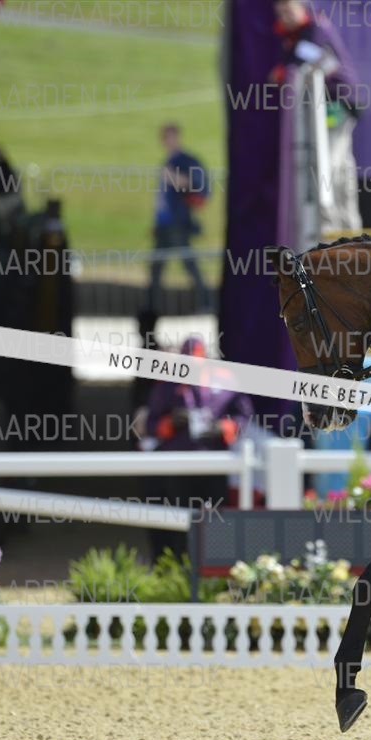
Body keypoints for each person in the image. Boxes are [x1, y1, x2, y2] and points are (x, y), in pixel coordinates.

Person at [142, 337, 254, 557]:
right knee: (177, 522)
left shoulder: (226, 381)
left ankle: (215, 566)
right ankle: (179, 566)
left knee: (216, 519)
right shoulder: (167, 385)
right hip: (177, 466)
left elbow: (245, 417)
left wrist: (224, 428)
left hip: (215, 464)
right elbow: (150, 424)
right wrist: (170, 423)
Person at [272, 0, 364, 235]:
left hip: (337, 103)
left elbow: (307, 64)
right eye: (281, 14)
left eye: (289, 11)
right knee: (340, 166)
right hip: (335, 102)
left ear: (301, 8)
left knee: (328, 166)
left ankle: (332, 230)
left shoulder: (314, 29)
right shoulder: (298, 34)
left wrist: (283, 73)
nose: (285, 18)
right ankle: (348, 229)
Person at [147, 123, 209, 313]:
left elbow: (195, 185)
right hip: (163, 223)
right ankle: (151, 308)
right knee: (156, 267)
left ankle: (207, 303)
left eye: (172, 137)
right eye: (166, 138)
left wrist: (172, 177)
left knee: (189, 264)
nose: (169, 141)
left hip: (178, 223)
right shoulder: (168, 161)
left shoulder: (185, 161)